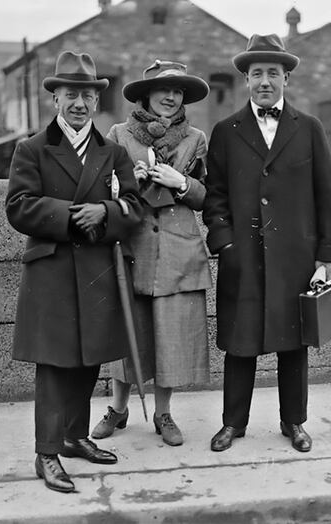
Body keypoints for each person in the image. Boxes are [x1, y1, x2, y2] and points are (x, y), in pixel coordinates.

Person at [5, 50, 143, 493]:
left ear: (97, 101)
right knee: (53, 366)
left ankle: (73, 436)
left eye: (87, 95)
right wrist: (71, 215)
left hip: (98, 271)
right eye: (71, 95)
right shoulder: (32, 149)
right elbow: (19, 207)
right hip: (53, 273)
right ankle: (46, 453)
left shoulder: (114, 152)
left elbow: (134, 207)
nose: (79, 103)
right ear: (56, 99)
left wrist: (103, 211)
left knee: (88, 359)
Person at [202, 34, 331, 453]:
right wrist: (225, 243)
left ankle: (294, 422)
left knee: (294, 344)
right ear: (246, 79)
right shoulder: (226, 132)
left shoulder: (310, 129)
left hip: (295, 259)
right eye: (257, 73)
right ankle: (233, 423)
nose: (265, 81)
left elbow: (326, 195)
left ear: (286, 79)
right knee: (240, 343)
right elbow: (215, 197)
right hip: (242, 257)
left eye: (273, 73)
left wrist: (328, 254)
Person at [90, 60, 211, 446]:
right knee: (128, 332)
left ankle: (163, 414)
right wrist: (130, 182)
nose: (171, 97)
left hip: (177, 249)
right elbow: (101, 191)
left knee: (170, 336)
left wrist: (182, 183)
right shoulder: (119, 135)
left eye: (178, 91)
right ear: (146, 95)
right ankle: (119, 409)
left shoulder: (196, 138)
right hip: (133, 247)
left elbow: (207, 196)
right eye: (164, 90)